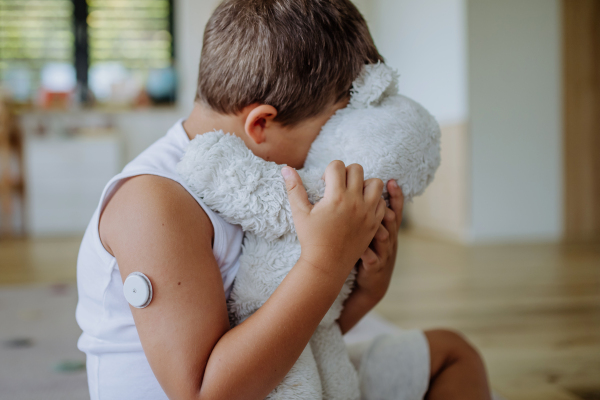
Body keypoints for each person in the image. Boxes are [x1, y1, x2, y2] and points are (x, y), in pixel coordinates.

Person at [76, 0, 492, 399]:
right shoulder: (154, 204)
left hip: (277, 384)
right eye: (334, 127)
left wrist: (369, 287)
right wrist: (323, 265)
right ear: (262, 124)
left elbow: (300, 342)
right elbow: (205, 392)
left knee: (450, 355)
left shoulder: (270, 176)